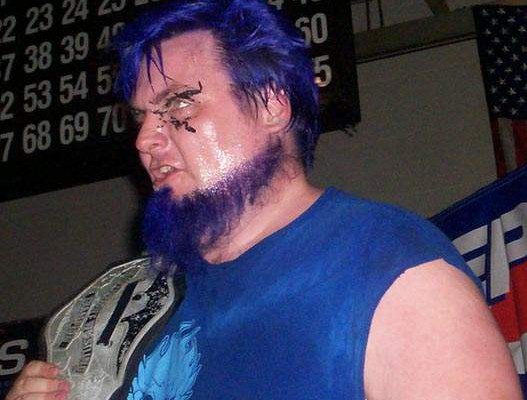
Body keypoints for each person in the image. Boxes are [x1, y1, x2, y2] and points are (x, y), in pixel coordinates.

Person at [7, 0, 522, 399]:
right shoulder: (131, 307)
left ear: (272, 104)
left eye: (179, 103)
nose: (144, 140)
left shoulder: (388, 267)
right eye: (141, 117)